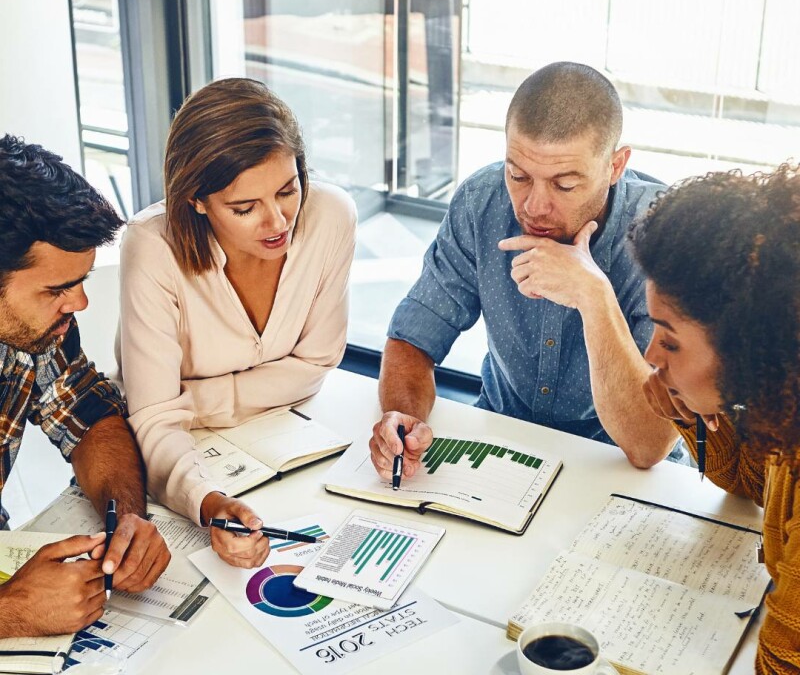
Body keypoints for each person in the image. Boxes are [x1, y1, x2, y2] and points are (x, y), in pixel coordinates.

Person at [371, 61, 686, 482]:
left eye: (564, 185)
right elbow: (413, 339)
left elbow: (648, 446)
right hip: (503, 445)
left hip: (617, 466)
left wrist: (593, 298)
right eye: (518, 175)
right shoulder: (481, 203)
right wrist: (404, 420)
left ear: (615, 166)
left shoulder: (666, 235)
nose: (534, 206)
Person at [115, 78, 357, 569]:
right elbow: (156, 425)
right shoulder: (152, 249)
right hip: (180, 461)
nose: (277, 222)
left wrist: (192, 400)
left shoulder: (330, 216)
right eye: (244, 208)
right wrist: (207, 502)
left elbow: (316, 362)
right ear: (197, 201)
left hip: (295, 445)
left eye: (288, 190)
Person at [630, 164, 800, 674]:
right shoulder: (784, 411)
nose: (652, 355)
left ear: (749, 343)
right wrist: (697, 411)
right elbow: (751, 484)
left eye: (672, 339)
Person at [0, 134, 170, 638]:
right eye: (56, 290)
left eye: (82, 282)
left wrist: (126, 520)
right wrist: (10, 612)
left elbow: (89, 415)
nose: (79, 305)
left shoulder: (33, 331)